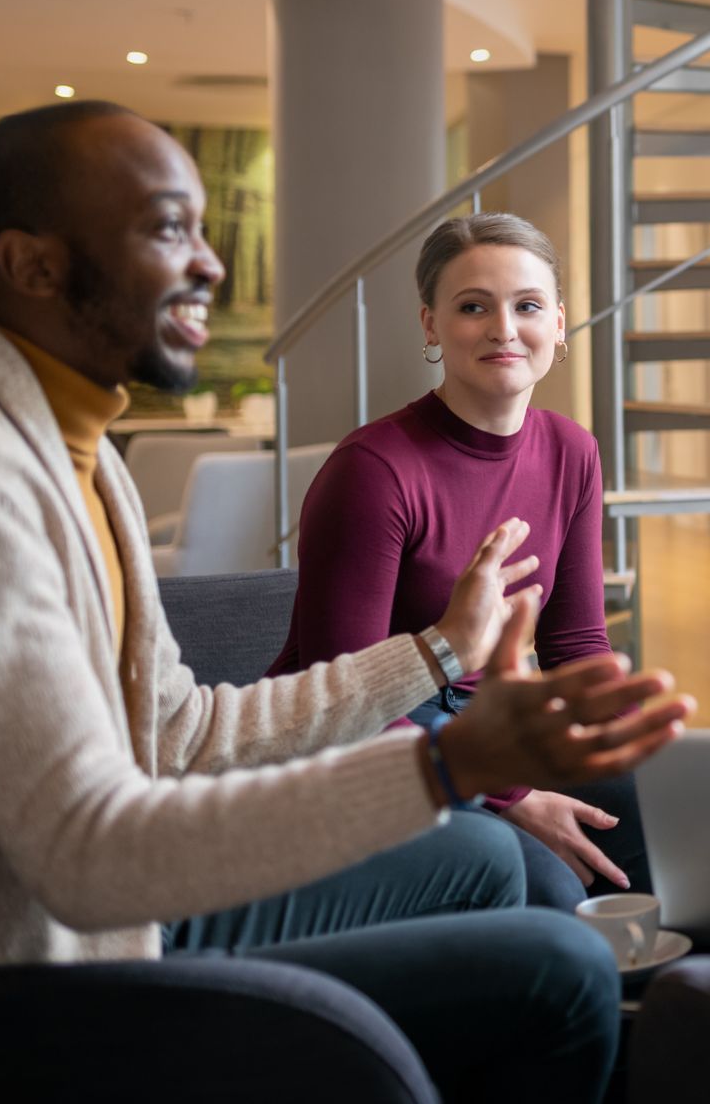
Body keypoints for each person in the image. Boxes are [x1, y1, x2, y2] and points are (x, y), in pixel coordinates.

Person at [0, 100, 694, 1101]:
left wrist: (440, 654)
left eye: (204, 228)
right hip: (44, 968)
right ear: (33, 265)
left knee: (498, 867)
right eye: (168, 227)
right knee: (562, 968)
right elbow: (84, 855)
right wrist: (450, 760)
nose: (211, 263)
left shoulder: (80, 452)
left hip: (117, 900)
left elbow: (181, 725)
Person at [267, 211, 639, 908]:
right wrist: (512, 792)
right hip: (373, 736)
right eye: (474, 306)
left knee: (655, 805)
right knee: (554, 887)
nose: (504, 328)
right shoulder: (373, 469)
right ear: (432, 325)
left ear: (558, 324)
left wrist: (624, 727)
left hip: (488, 719)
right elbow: (344, 693)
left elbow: (575, 641)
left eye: (527, 306)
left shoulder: (572, 450)